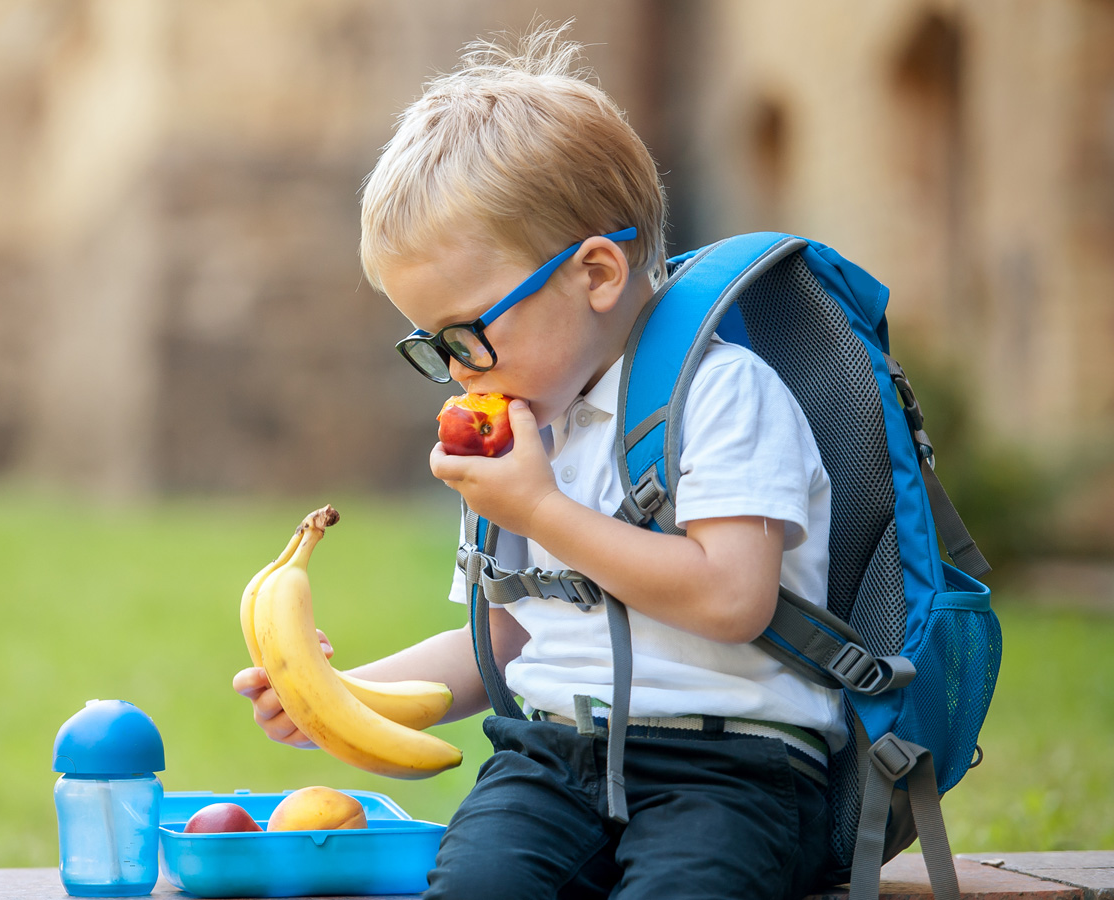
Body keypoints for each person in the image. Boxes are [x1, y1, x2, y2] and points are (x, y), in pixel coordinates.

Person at [234, 23, 841, 900]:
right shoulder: (521, 433)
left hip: (731, 767)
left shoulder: (720, 394)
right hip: (552, 759)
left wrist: (544, 512)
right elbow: (505, 642)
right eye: (432, 342)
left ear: (595, 272)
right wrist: (332, 694)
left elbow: (733, 597)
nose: (457, 369)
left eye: (470, 331)